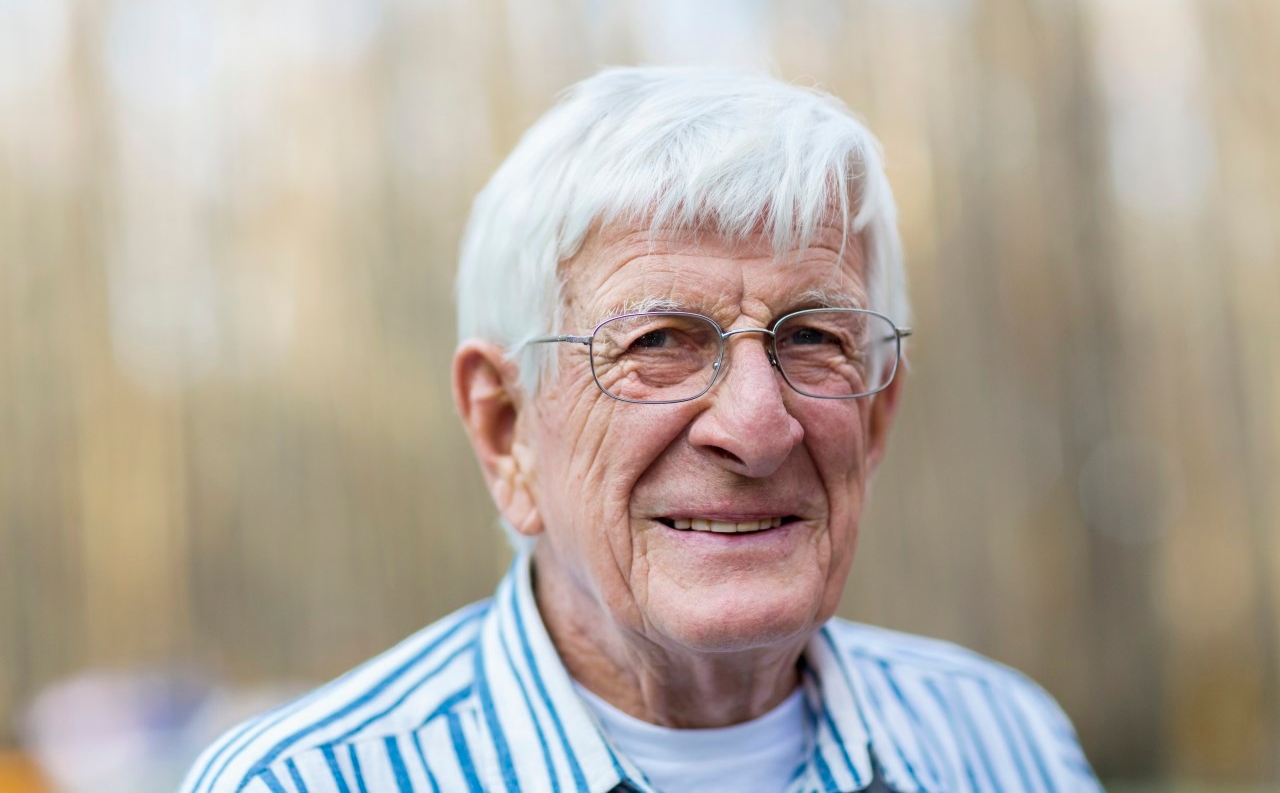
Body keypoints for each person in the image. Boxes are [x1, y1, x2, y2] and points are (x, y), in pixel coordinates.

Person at [182, 67, 1100, 792]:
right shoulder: (302, 782)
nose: (756, 424)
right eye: (659, 341)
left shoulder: (1006, 742)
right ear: (506, 431)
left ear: (876, 410)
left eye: (815, 338)